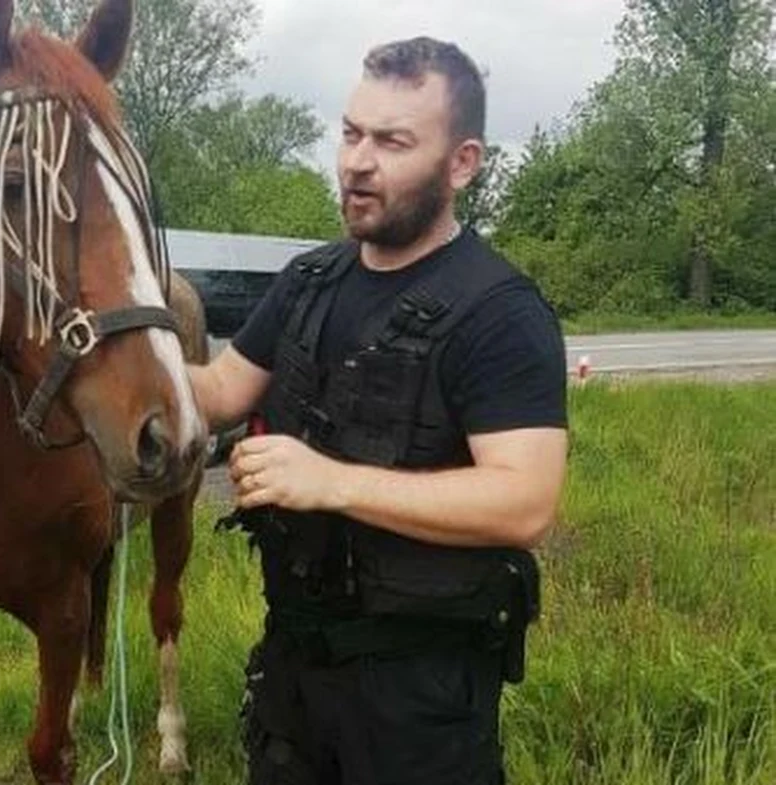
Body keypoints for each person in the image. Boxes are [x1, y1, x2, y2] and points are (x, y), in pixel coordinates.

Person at [187, 37, 569, 785]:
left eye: (392, 141)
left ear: (462, 163)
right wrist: (116, 345)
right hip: (293, 676)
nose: (358, 160)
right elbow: (221, 389)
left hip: (420, 698)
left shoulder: (498, 313)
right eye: (351, 132)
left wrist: (330, 482)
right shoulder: (308, 281)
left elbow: (524, 501)